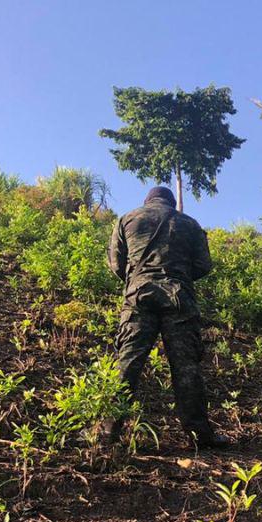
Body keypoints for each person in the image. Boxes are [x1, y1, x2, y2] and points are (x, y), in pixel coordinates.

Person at [102, 186, 229, 448]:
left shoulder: (128, 218)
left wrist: (137, 278)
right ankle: (199, 436)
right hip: (179, 299)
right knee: (186, 368)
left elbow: (115, 263)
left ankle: (106, 433)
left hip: (139, 297)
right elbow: (204, 265)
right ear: (172, 203)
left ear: (147, 201)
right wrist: (178, 276)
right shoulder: (190, 224)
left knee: (127, 364)